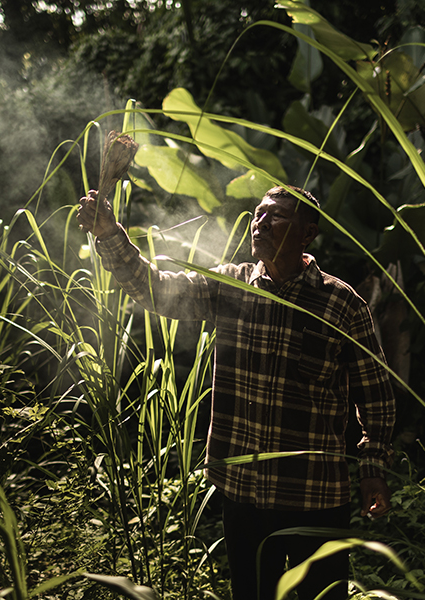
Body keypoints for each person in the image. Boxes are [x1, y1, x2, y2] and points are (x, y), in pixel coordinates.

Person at [77, 185, 396, 600]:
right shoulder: (229, 286)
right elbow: (154, 288)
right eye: (257, 214)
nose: (259, 223)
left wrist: (372, 468)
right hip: (243, 490)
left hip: (314, 495)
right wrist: (109, 232)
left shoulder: (342, 305)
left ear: (307, 234)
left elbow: (376, 396)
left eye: (276, 216)